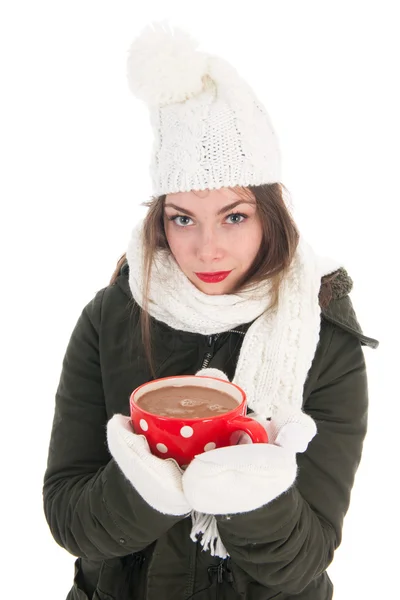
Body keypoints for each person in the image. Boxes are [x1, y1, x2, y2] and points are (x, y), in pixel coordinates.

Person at [43, 23, 379, 600]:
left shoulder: (326, 339)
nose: (207, 249)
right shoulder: (110, 317)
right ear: (161, 217)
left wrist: (255, 498)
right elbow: (68, 519)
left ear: (270, 214)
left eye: (234, 216)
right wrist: (142, 490)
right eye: (182, 218)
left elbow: (306, 562)